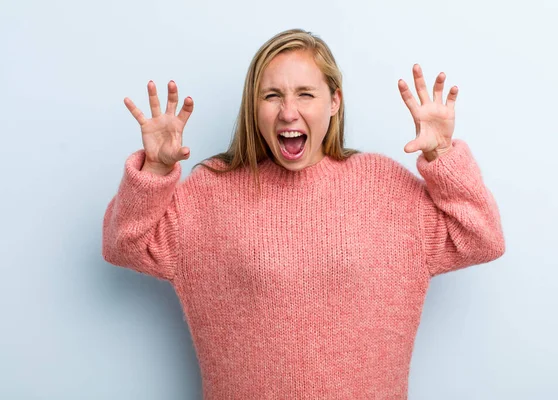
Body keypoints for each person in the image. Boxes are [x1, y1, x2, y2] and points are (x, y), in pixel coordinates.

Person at [102, 28, 505, 399]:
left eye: (306, 94)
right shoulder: (210, 192)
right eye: (271, 95)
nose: (288, 112)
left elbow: (482, 239)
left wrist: (442, 156)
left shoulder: (386, 188)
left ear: (334, 101)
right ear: (253, 107)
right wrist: (154, 169)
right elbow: (125, 245)